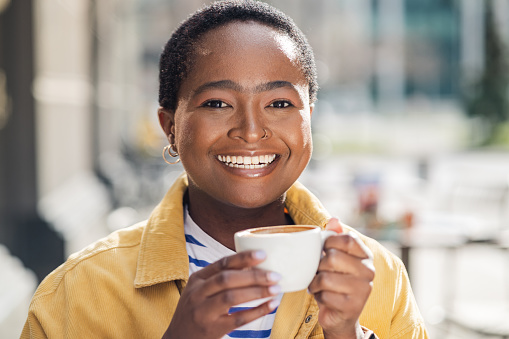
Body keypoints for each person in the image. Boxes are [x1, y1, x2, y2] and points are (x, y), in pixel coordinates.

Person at [21, 1, 429, 338]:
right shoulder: (77, 292)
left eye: (281, 104)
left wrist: (347, 333)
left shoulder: (379, 277)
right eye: (217, 103)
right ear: (170, 128)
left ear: (310, 120)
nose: (251, 132)